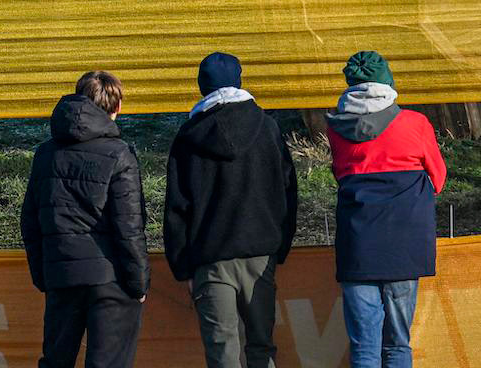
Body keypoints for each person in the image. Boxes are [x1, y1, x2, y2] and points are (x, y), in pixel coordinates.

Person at [164, 52, 297, 368]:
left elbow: (176, 208)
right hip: (260, 255)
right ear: (239, 80)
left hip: (210, 261)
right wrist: (281, 245)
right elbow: (289, 191)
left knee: (221, 354)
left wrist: (183, 266)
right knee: (262, 348)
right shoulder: (267, 128)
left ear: (201, 87)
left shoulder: (188, 138)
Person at [22, 69, 150, 368]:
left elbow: (30, 220)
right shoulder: (120, 154)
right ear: (116, 108)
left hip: (62, 275)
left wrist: (45, 276)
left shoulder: (45, 154)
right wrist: (139, 283)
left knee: (55, 361)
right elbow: (130, 227)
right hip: (111, 279)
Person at [326, 50, 446, 368]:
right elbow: (438, 179)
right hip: (405, 245)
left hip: (358, 246)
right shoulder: (416, 123)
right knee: (397, 344)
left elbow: (341, 174)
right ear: (387, 81)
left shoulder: (336, 128)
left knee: (364, 348)